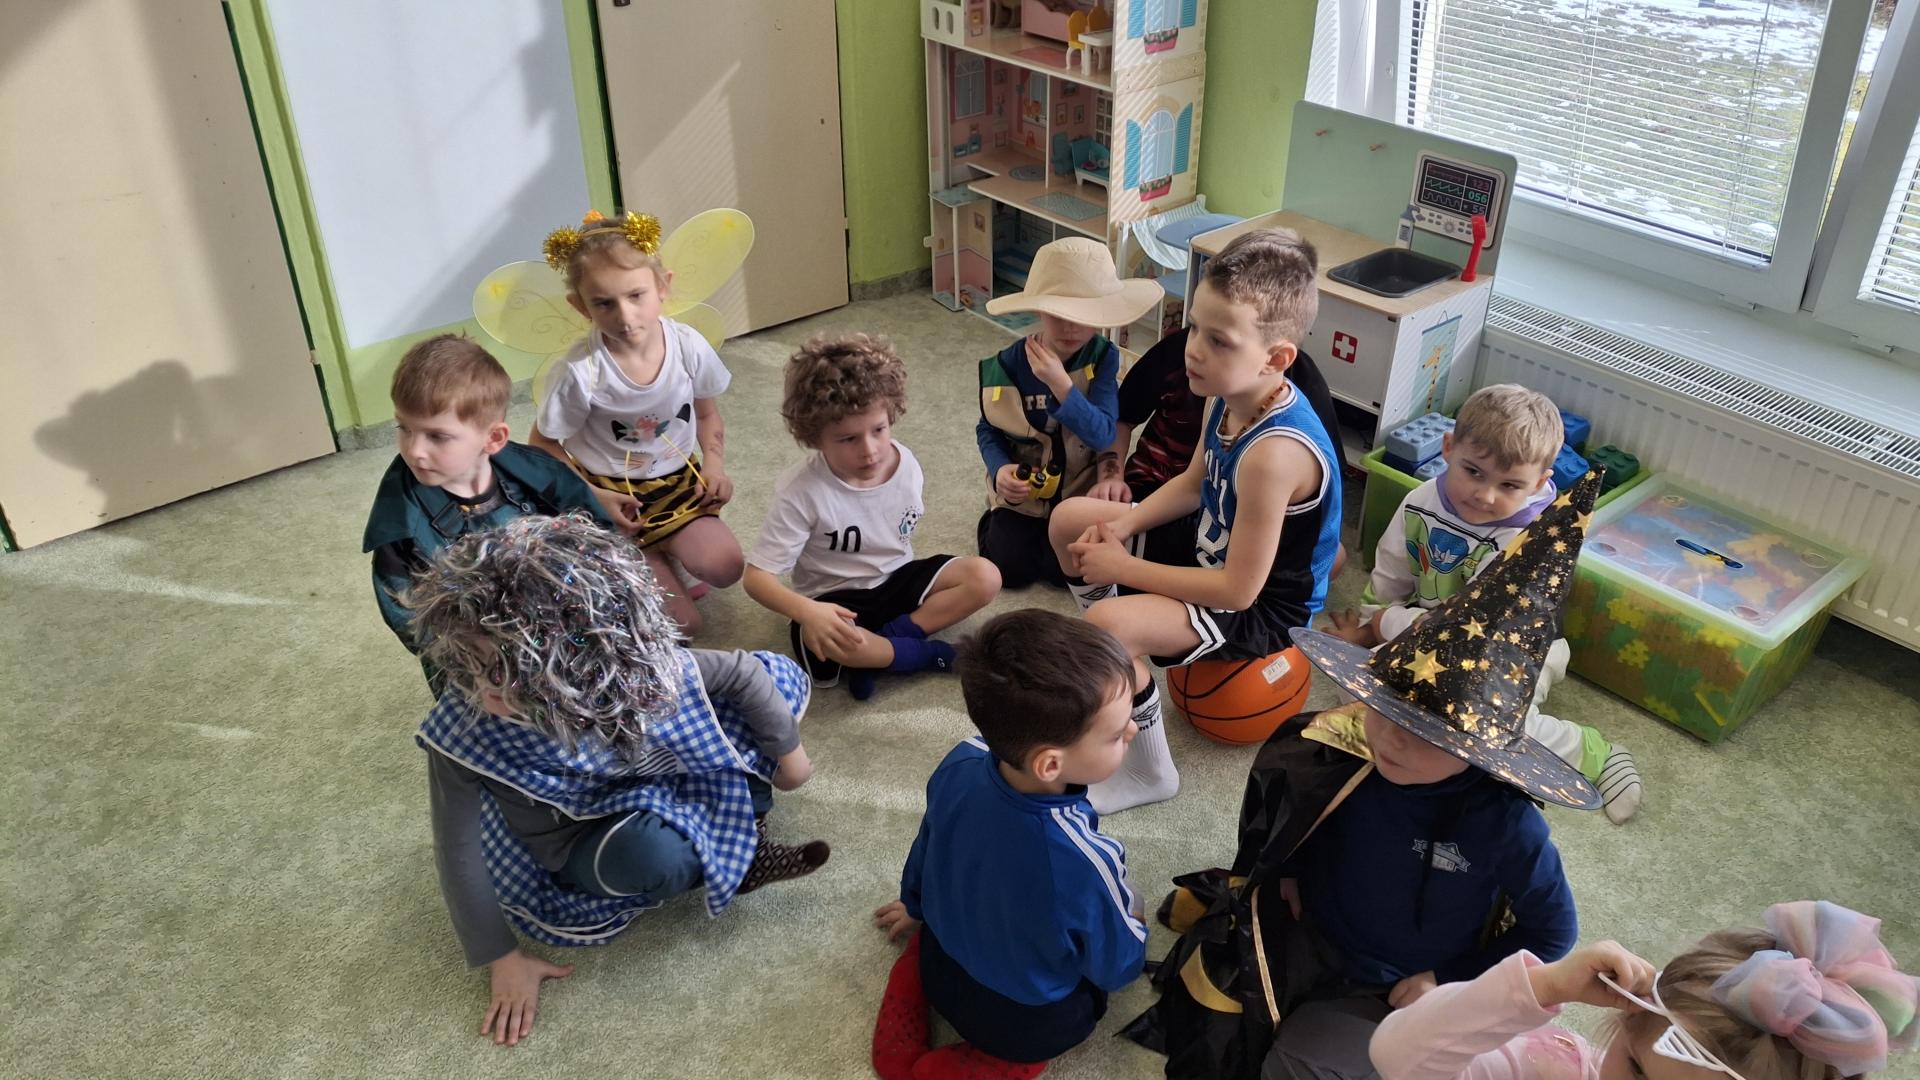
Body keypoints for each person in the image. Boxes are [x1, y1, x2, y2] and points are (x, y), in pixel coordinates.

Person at [1123, 473, 1610, 1080]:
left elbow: (1553, 932)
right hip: (1310, 927)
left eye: (1427, 735)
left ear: (1481, 752)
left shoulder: (1507, 825)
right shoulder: (1348, 753)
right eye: (1385, 711)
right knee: (1212, 1015)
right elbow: (1296, 811)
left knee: (1293, 1066)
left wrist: (1449, 980)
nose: (1392, 740)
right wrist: (1289, 869)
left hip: (1397, 986)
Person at [401, 515, 829, 1046]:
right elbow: (457, 847)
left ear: (588, 656)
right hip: (585, 831)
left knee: (756, 714)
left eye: (511, 670)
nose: (486, 690)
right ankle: (737, 850)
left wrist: (792, 760)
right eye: (471, 664)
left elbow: (743, 674)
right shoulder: (464, 727)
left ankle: (749, 833)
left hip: (659, 769)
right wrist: (500, 956)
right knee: (655, 858)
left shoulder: (630, 666)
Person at [1044, 228, 1344, 814]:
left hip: (1264, 607)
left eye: (1219, 340)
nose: (1193, 351)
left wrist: (1124, 567)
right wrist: (1124, 529)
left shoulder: (1275, 455)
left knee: (1108, 626)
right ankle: (1117, 667)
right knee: (1069, 519)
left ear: (1276, 358)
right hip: (1213, 543)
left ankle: (1150, 770)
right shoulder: (1224, 394)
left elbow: (1238, 591)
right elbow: (1191, 482)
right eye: (1193, 329)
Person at [1324, 384, 1642, 824]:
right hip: (1425, 631)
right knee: (1358, 684)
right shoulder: (1420, 500)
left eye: (1510, 485)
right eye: (1473, 472)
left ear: (1541, 483)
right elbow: (1392, 570)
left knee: (1486, 724)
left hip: (1510, 653)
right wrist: (1366, 626)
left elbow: (1472, 639)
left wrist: (1382, 625)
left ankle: (1593, 752)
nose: (1486, 495)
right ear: (1448, 448)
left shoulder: (1526, 540)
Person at [870, 610, 1150, 1079]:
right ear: (1050, 764)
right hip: (1017, 1019)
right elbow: (1116, 967)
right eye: (1117, 733)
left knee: (929, 947)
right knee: (1079, 1006)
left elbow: (927, 844)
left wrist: (914, 905)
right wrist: (1135, 927)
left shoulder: (961, 759)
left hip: (938, 958)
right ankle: (990, 1062)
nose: (1133, 731)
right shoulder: (1084, 859)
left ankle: (910, 976)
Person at [1371, 900, 1919, 1080]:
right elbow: (1395, 1055)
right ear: (1628, 1017)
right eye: (1635, 1069)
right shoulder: (1549, 1068)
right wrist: (1541, 985)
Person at [744, 333, 1001, 700]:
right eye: (848, 439)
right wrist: (808, 613)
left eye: (878, 430)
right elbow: (756, 578)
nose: (870, 450)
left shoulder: (906, 464)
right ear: (814, 437)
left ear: (890, 413)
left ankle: (892, 645)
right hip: (836, 599)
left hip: (897, 578)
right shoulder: (800, 492)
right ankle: (918, 654)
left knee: (985, 577)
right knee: (828, 652)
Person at [528, 210, 745, 634]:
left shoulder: (687, 345)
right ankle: (638, 557)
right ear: (580, 305)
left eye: (636, 295)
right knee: (684, 628)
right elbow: (542, 444)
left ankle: (668, 551)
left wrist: (715, 467)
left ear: (663, 285)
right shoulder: (580, 371)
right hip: (610, 495)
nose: (625, 317)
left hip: (676, 483)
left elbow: (707, 412)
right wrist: (593, 494)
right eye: (603, 303)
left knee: (726, 567)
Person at [363, 333, 616, 683]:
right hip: (473, 666)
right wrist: (474, 660)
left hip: (558, 638)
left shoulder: (542, 476)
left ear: (493, 438)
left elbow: (599, 541)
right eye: (404, 428)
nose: (414, 450)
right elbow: (405, 612)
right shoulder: (400, 524)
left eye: (437, 436)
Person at [974, 236, 1160, 589]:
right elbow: (988, 429)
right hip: (1024, 495)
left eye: (1083, 316)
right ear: (1038, 310)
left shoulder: (1104, 358)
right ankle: (993, 519)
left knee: (1064, 572)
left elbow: (1103, 435)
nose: (1071, 327)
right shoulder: (1007, 365)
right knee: (1010, 570)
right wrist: (999, 471)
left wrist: (1062, 387)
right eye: (1058, 314)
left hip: (1077, 490)